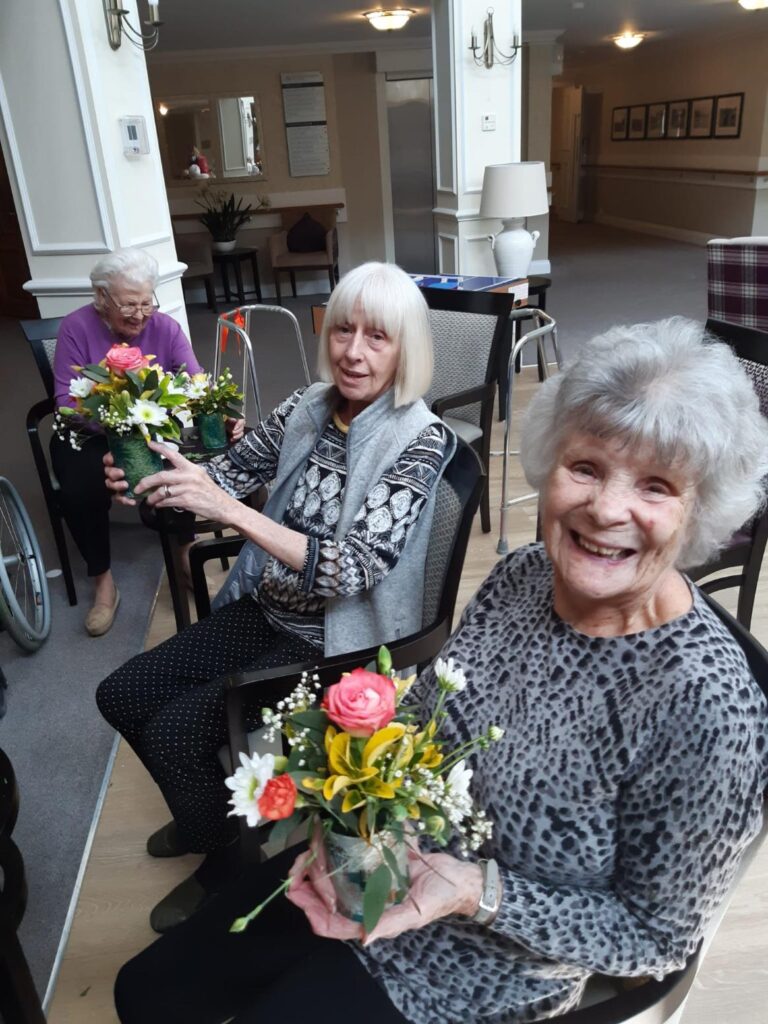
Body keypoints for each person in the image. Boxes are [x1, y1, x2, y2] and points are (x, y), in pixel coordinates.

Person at [114, 317, 768, 1024]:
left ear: (701, 509)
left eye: (656, 486)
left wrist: (469, 890)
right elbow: (429, 714)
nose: (607, 508)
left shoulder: (707, 708)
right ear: (552, 465)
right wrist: (346, 813)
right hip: (377, 863)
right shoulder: (523, 575)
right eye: (586, 467)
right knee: (145, 993)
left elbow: (657, 939)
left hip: (482, 969)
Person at [96, 261, 454, 933]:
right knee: (120, 696)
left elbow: (352, 570)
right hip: (269, 608)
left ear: (408, 346)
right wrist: (158, 474)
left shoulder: (421, 440)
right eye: (344, 329)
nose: (353, 351)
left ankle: (229, 867)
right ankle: (209, 823)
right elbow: (228, 471)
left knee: (176, 732)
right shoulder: (309, 407)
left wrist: (233, 514)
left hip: (335, 640)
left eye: (378, 337)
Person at [52, 247, 207, 637]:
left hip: (148, 429)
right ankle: (103, 579)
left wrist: (217, 410)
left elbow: (195, 380)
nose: (140, 314)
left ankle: (184, 548)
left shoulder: (166, 328)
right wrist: (116, 427)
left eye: (146, 303)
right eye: (128, 304)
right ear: (102, 298)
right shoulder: (75, 327)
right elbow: (65, 401)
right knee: (78, 484)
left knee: (174, 463)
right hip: (91, 433)